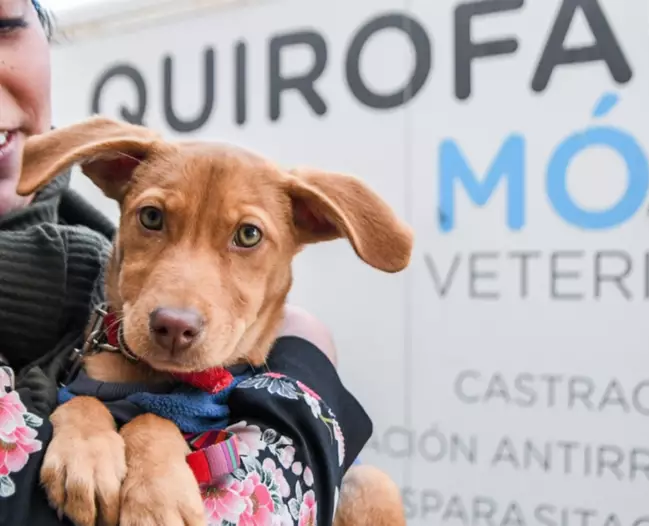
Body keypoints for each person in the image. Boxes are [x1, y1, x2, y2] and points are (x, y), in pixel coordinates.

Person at [0, 1, 371, 524]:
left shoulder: (89, 253)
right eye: (153, 219)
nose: (178, 309)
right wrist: (305, 370)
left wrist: (150, 432)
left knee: (371, 494)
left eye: (246, 235)